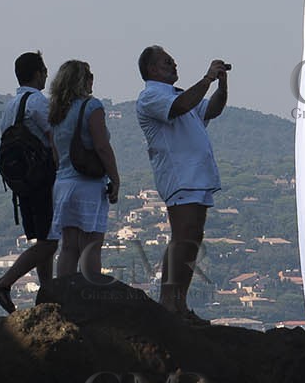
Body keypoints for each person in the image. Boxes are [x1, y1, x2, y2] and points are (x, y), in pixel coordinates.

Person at [136, 46, 228, 317]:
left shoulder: (179, 94)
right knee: (183, 235)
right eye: (167, 62)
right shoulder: (151, 96)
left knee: (192, 238)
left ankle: (179, 301)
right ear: (152, 69)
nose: (174, 65)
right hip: (179, 176)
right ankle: (169, 301)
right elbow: (180, 107)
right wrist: (207, 79)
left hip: (196, 176)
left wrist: (221, 85)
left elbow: (211, 109)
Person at [0, 51, 57, 314]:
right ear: (38, 74)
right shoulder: (38, 101)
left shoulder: (9, 106)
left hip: (22, 183)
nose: (46, 75)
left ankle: (46, 294)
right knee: (50, 242)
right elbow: (53, 138)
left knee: (43, 240)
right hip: (43, 181)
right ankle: (3, 284)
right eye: (45, 71)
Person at [48, 60, 120, 282]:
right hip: (87, 185)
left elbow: (55, 153)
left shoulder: (56, 112)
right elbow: (101, 146)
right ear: (82, 80)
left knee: (68, 247)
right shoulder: (91, 106)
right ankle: (90, 294)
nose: (92, 80)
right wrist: (115, 179)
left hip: (62, 185)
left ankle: (64, 295)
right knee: (91, 246)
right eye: (89, 76)